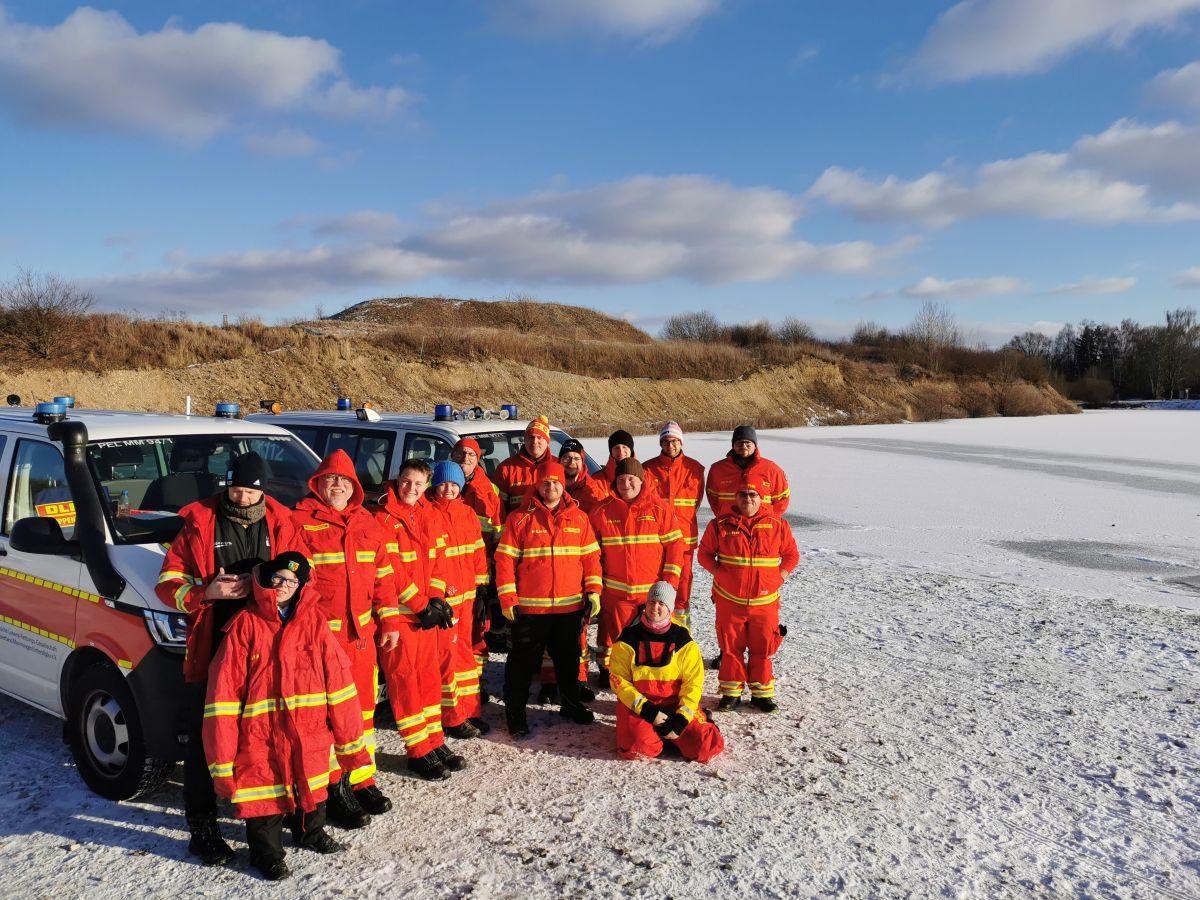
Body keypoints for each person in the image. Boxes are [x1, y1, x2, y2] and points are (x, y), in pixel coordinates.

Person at [156, 451, 308, 866]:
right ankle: (202, 828)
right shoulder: (201, 522)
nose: (242, 498)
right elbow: (168, 582)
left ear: (264, 491)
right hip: (216, 649)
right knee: (209, 740)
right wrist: (205, 592)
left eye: (250, 492)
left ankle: (275, 816)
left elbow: (302, 576)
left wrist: (282, 593)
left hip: (269, 649)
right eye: (236, 489)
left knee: (267, 736)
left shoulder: (281, 522)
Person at [203, 552, 370, 881]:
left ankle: (311, 833)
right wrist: (222, 759)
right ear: (267, 579)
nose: (283, 585)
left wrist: (349, 740)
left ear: (301, 586)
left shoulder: (315, 622)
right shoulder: (245, 623)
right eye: (278, 577)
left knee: (313, 784)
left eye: (291, 581)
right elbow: (223, 694)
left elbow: (339, 682)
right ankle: (267, 853)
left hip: (310, 729)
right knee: (263, 792)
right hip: (260, 732)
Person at [290, 449, 401, 827]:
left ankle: (361, 778)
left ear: (354, 485)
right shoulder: (299, 521)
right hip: (322, 642)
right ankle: (333, 786)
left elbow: (384, 577)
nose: (337, 485)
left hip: (362, 640)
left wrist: (389, 621)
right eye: (330, 479)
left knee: (363, 713)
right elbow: (295, 587)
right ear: (318, 482)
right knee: (327, 718)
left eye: (344, 480)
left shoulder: (367, 522)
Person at [495, 460, 602, 737]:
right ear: (537, 484)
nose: (550, 487)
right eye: (545, 482)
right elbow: (504, 560)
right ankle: (515, 713)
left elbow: (591, 557)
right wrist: (508, 597)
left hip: (569, 607)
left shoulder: (579, 518)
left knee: (568, 660)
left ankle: (570, 703)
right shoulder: (520, 518)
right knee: (521, 664)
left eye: (555, 482)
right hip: (531, 610)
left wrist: (593, 591)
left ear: (563, 484)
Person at [374, 458, 459, 780]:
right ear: (398, 480)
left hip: (425, 616)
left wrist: (436, 599)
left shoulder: (429, 514)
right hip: (399, 617)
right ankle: (417, 750)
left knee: (428, 680)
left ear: (427, 486)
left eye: (418, 484)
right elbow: (390, 569)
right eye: (406, 482)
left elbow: (439, 559)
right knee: (405, 684)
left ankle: (434, 740)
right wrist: (421, 604)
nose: (410, 488)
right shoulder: (383, 517)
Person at [697, 479, 799, 712]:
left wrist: (779, 577)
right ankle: (731, 694)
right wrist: (720, 574)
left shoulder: (778, 525)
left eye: (753, 495)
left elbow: (791, 555)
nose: (748, 499)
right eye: (743, 494)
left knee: (763, 648)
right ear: (736, 497)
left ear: (762, 498)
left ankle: (761, 694)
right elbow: (704, 555)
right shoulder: (719, 524)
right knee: (731, 648)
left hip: (765, 602)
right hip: (729, 600)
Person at [587, 457, 683, 683]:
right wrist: (595, 586)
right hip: (615, 592)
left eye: (631, 479)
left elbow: (675, 546)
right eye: (621, 479)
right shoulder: (601, 510)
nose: (626, 484)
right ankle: (608, 671)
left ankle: (646, 675)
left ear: (641, 480)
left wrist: (668, 584)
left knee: (649, 639)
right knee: (611, 636)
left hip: (650, 594)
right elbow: (591, 552)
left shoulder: (659, 509)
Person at [609, 581, 724, 763]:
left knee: (705, 746)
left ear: (669, 608)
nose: (655, 607)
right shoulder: (627, 639)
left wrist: (682, 719)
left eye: (661, 603)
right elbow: (618, 681)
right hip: (640, 706)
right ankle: (660, 737)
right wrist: (648, 712)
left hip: (674, 704)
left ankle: (688, 728)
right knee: (637, 748)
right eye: (652, 602)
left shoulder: (684, 642)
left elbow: (693, 684)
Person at [428, 459, 490, 737]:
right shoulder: (428, 514)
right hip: (444, 601)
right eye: (443, 484)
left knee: (466, 655)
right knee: (448, 659)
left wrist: (482, 588)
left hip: (468, 599)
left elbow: (478, 552)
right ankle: (451, 717)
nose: (448, 489)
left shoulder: (467, 514)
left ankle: (470, 711)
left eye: (454, 484)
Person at [643, 421, 706, 629]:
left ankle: (681, 631)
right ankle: (654, 626)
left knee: (683, 584)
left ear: (681, 442)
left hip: (685, 540)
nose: (670, 445)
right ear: (661, 443)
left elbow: (696, 501)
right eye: (666, 441)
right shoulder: (647, 469)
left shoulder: (695, 469)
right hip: (658, 539)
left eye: (674, 441)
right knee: (656, 582)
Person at [452, 437, 503, 671]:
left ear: (478, 460)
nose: (466, 458)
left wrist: (492, 578)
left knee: (477, 626)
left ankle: (476, 678)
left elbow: (499, 532)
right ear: (452, 456)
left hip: (479, 570)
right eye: (461, 453)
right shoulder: (437, 483)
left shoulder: (490, 490)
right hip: (445, 569)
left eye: (471, 454)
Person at [704, 424, 790, 518]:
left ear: (755, 445)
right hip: (729, 524)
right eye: (739, 443)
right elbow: (713, 498)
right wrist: (723, 517)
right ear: (733, 445)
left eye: (748, 443)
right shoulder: (717, 469)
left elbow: (782, 499)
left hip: (762, 524)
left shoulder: (771, 469)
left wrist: (770, 520)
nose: (744, 446)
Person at [494, 415, 554, 517]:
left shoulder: (558, 466)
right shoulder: (506, 468)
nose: (535, 442)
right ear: (524, 440)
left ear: (547, 441)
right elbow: (498, 509)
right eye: (531, 437)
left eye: (539, 437)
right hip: (517, 525)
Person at [597, 429, 659, 500]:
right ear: (611, 451)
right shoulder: (598, 480)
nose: (621, 452)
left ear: (631, 450)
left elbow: (654, 502)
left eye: (624, 447)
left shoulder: (645, 477)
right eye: (616, 448)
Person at [559, 438, 606, 514]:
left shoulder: (592, 490)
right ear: (559, 460)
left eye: (577, 458)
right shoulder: (551, 484)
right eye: (567, 457)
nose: (572, 462)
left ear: (582, 462)